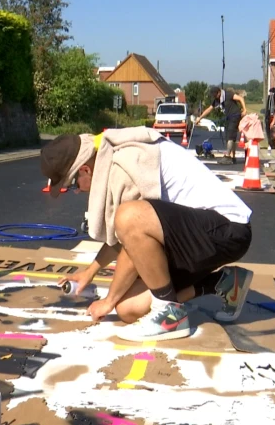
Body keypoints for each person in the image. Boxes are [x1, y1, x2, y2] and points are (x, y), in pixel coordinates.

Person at [40, 128, 255, 342]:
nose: (77, 191)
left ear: (85, 170)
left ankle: (170, 314)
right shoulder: (112, 160)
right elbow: (130, 239)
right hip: (200, 232)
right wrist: (89, 273)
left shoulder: (125, 165)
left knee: (127, 216)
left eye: (72, 185)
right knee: (128, 308)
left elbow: (131, 231)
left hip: (227, 229)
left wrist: (108, 300)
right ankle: (221, 283)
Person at [194, 86, 247, 164]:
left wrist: (244, 109)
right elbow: (209, 109)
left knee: (230, 136)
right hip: (228, 118)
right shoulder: (217, 100)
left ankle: (228, 157)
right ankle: (233, 157)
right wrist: (200, 117)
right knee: (229, 138)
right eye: (213, 96)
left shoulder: (228, 94)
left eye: (215, 95)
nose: (215, 97)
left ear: (219, 92)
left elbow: (240, 98)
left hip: (235, 116)